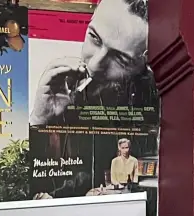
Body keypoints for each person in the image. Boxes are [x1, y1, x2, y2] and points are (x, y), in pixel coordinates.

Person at [29, 0, 155, 128]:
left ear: (148, 64)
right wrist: (40, 120)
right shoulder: (61, 91)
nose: (94, 65)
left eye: (120, 59)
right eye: (94, 38)